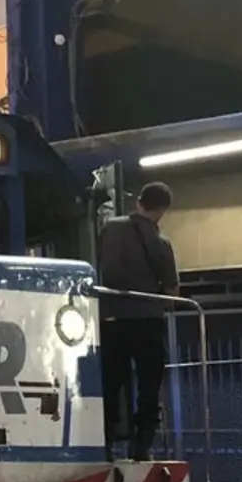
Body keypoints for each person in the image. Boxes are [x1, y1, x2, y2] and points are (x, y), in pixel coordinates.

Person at [98, 181, 179, 461]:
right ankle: (141, 447)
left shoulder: (109, 229)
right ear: (162, 210)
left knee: (109, 383)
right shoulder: (161, 243)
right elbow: (171, 292)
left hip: (111, 319)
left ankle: (104, 443)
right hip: (147, 322)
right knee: (149, 385)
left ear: (138, 202)